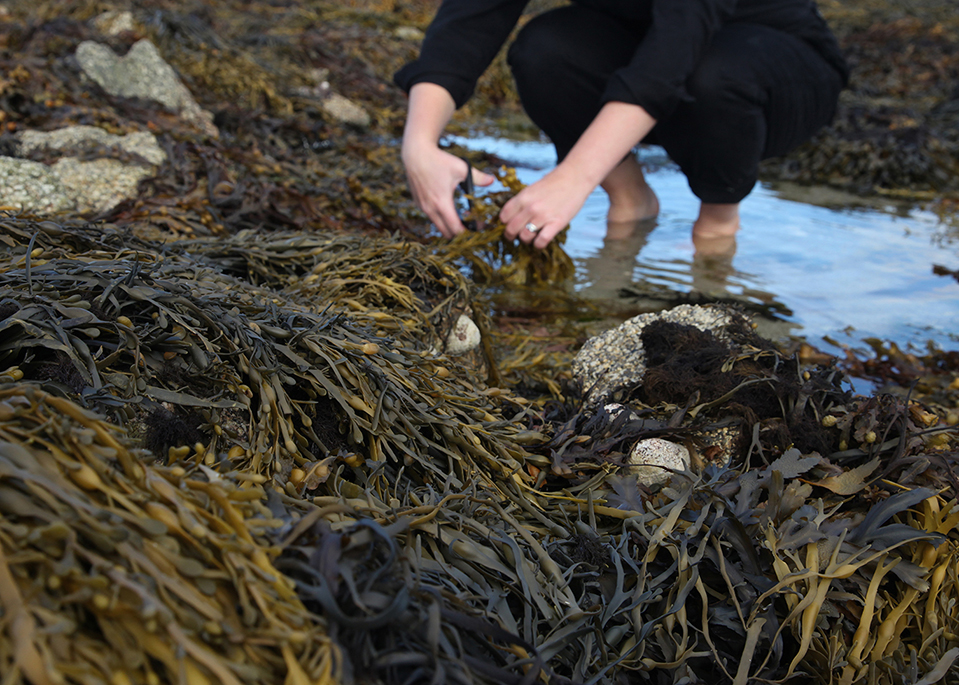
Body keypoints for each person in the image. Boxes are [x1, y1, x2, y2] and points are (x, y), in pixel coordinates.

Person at [394, 0, 849, 250]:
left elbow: (676, 47)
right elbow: (467, 26)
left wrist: (572, 178)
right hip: (647, 64)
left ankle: (716, 229)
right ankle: (631, 201)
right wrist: (419, 145)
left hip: (779, 74)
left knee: (714, 73)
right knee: (544, 49)